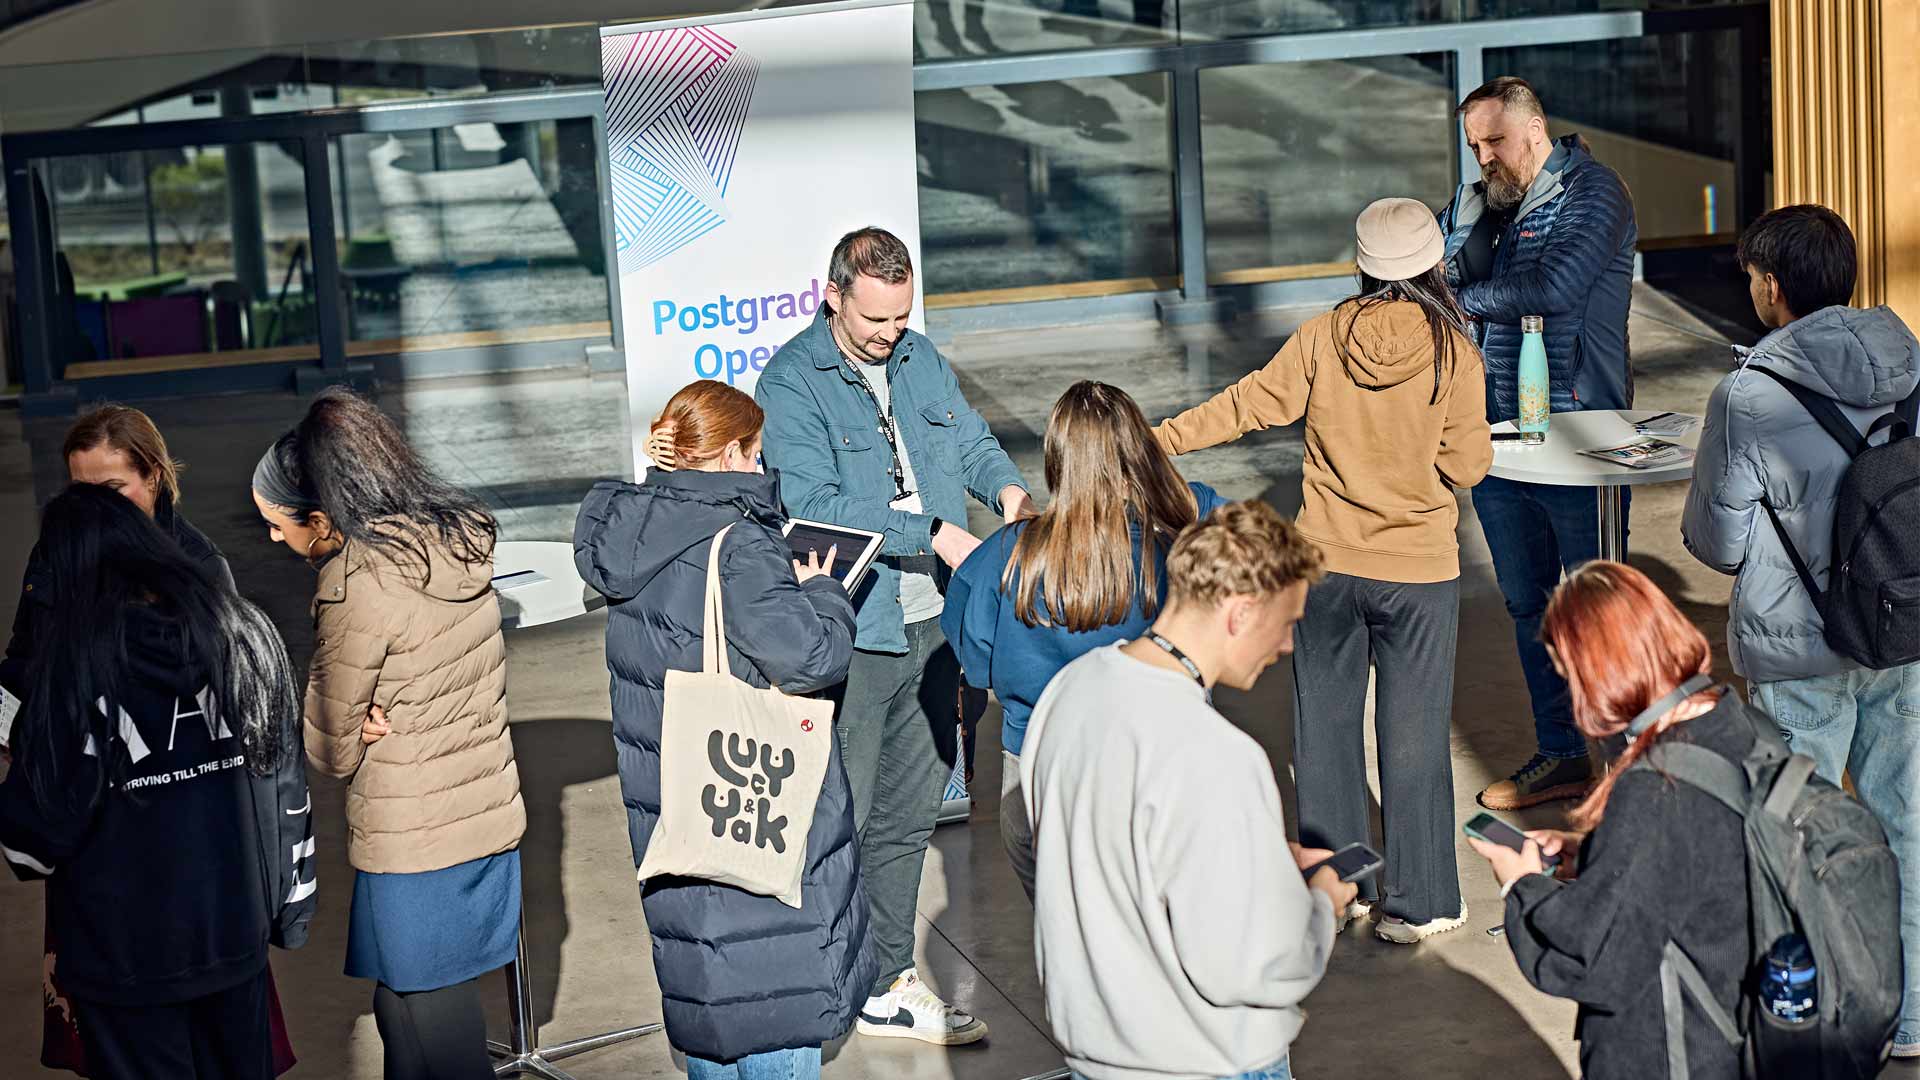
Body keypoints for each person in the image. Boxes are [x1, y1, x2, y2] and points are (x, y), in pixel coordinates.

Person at [1154, 198, 1492, 944]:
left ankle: (1340, 890)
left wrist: (1157, 441)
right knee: (1413, 735)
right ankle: (1421, 903)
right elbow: (1467, 466)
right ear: (1436, 263)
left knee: (1325, 729)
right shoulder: (1453, 353)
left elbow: (1244, 406)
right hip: (1418, 573)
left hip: (1327, 566)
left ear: (1365, 264)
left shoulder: (1322, 337)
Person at [755, 226, 1028, 1044]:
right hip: (862, 631)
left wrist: (1008, 490)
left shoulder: (917, 357)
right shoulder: (792, 382)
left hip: (936, 628)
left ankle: (885, 980)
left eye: (901, 318)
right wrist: (935, 531)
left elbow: (970, 438)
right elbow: (813, 508)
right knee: (842, 815)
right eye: (874, 320)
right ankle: (813, 978)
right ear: (832, 295)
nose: (888, 335)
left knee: (910, 814)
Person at [573, 379, 875, 1078]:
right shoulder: (738, 545)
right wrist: (823, 590)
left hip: (675, 806)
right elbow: (808, 657)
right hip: (752, 802)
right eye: (756, 452)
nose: (761, 466)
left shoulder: (631, 530)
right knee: (772, 999)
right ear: (733, 453)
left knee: (710, 997)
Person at [0, 404, 304, 1078]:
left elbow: (30, 839)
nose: (97, 509)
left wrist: (47, 757)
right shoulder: (62, 559)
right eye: (80, 492)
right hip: (209, 914)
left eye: (112, 490)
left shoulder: (199, 572)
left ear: (156, 478)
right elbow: (19, 665)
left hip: (141, 913)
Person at [1681, 204, 1920, 1060]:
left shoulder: (1748, 395)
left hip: (1800, 648)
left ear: (1773, 288)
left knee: (1796, 836)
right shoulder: (1907, 362)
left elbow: (1719, 543)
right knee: (1905, 821)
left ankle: (1813, 1014)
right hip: (1900, 630)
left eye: (1751, 276)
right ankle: (1912, 1017)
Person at [1020, 500, 1356, 1080]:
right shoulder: (1217, 754)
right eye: (1288, 624)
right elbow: (1249, 966)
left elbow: (1097, 850)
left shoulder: (1069, 693)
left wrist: (1258, 862)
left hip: (1095, 1057)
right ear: (1241, 612)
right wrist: (1320, 904)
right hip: (1208, 1059)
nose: (1286, 648)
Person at [253, 388, 524, 1080]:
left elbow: (330, 746)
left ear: (321, 517)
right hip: (480, 816)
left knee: (434, 1008)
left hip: (415, 835)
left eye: (279, 526)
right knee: (402, 1000)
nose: (273, 540)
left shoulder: (357, 585)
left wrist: (354, 717)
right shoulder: (454, 540)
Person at [944, 380, 1227, 899]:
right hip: (1160, 766)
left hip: (1037, 774)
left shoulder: (1005, 557)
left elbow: (976, 663)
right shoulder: (1186, 530)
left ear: (1057, 462)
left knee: (1069, 943)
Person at [1437, 76, 1637, 812]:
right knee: (1528, 604)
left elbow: (1557, 285)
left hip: (1579, 433)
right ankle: (1561, 755)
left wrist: (1458, 299)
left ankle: (1625, 767)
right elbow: (1425, 268)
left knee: (1596, 605)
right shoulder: (1478, 204)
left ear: (1535, 129)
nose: (1483, 157)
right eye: (1474, 146)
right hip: (1496, 435)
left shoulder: (1594, 192)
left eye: (1493, 142)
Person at [1469, 561, 1752, 1080]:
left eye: (1570, 675)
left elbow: (1596, 962)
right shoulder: (1736, 723)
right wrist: (1600, 851)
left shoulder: (1652, 790)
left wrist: (1521, 886)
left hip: (1676, 1048)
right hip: (1744, 1022)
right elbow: (1698, 855)